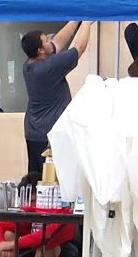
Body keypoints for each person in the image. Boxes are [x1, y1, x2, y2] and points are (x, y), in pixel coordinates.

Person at [21, 21, 94, 185]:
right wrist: (86, 23)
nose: (50, 41)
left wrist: (75, 20)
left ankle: (33, 199)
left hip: (34, 131)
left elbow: (57, 43)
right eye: (46, 40)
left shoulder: (29, 65)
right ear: (40, 50)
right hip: (50, 134)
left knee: (35, 178)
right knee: (52, 180)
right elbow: (79, 48)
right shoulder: (49, 67)